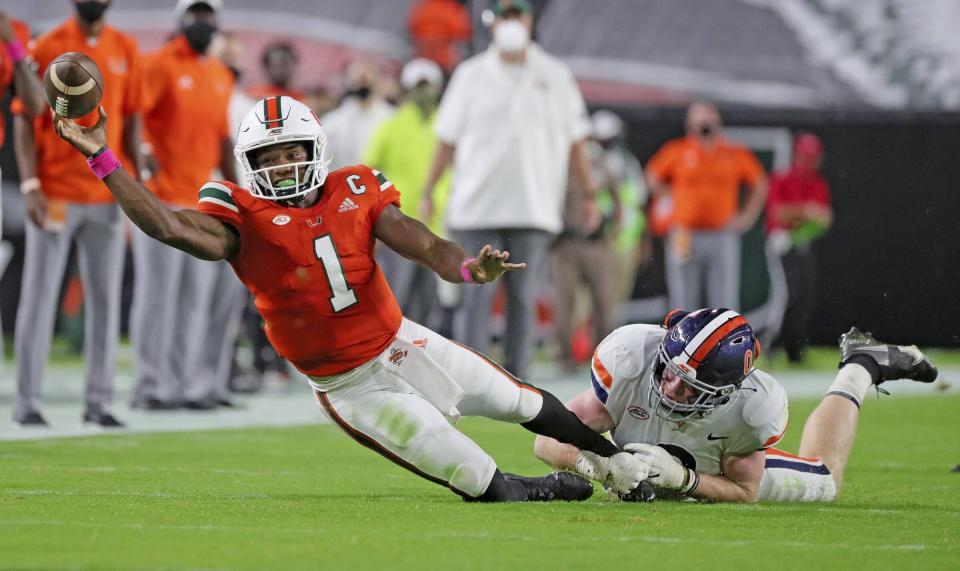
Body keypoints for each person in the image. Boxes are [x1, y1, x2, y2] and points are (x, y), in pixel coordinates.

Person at [52, 94, 651, 502]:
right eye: (270, 156)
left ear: (316, 147)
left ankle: (615, 455)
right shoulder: (242, 216)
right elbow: (166, 224)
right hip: (347, 384)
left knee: (521, 400)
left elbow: (423, 242)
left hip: (401, 341)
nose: (284, 166)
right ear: (249, 165)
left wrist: (469, 268)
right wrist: (101, 156)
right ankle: (539, 488)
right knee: (475, 477)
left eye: (292, 151)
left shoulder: (353, 188)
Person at [534, 308, 939, 502]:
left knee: (825, 483)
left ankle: (861, 365)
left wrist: (684, 480)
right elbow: (547, 440)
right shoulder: (632, 358)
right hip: (655, 453)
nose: (670, 386)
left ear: (725, 390)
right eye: (668, 370)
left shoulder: (752, 409)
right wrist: (601, 464)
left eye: (689, 386)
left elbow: (744, 490)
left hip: (712, 464)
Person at [421, 0, 598, 379]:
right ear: (492, 22)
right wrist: (427, 190)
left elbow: (576, 141)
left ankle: (518, 380)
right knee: (475, 295)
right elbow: (446, 140)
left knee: (522, 298)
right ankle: (471, 377)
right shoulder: (470, 74)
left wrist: (588, 194)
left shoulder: (556, 74)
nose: (510, 22)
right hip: (475, 207)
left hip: (533, 207)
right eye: (504, 15)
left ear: (530, 19)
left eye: (517, 14)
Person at [12, 0, 142, 428]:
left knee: (104, 302)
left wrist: (135, 183)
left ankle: (98, 402)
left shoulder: (125, 47)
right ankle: (27, 401)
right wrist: (30, 183)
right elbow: (22, 117)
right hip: (55, 193)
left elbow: (130, 120)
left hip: (105, 192)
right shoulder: (49, 44)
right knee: (39, 296)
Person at [131, 0, 237, 410]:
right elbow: (136, 114)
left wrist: (235, 191)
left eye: (208, 15)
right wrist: (139, 152)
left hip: (200, 202)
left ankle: (186, 386)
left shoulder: (219, 74)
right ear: (179, 19)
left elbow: (222, 139)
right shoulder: (158, 63)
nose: (202, 23)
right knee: (158, 297)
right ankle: (149, 386)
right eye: (195, 15)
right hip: (159, 199)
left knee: (194, 300)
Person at [646, 102, 768, 311]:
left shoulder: (732, 152)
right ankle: (684, 343)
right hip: (684, 233)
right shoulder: (678, 150)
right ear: (689, 123)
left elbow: (760, 183)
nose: (705, 122)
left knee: (723, 299)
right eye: (699, 117)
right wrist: (671, 197)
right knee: (683, 298)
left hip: (721, 233)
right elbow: (651, 176)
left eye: (709, 116)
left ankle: (722, 343)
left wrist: (747, 216)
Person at [363, 58, 449, 327]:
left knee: (430, 300)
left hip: (436, 224)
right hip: (398, 226)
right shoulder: (392, 125)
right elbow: (367, 171)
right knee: (396, 296)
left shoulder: (446, 126)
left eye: (428, 86)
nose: (424, 93)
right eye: (418, 86)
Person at [764, 133, 832, 362]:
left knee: (805, 296)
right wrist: (805, 211)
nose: (808, 162)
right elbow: (776, 212)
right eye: (805, 156)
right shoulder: (782, 178)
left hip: (801, 243)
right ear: (796, 155)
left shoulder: (818, 183)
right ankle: (771, 344)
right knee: (787, 295)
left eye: (812, 157)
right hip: (781, 244)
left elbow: (824, 220)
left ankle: (795, 350)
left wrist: (807, 223)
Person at [322, 59, 395, 170]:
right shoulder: (332, 122)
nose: (361, 85)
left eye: (366, 80)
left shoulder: (391, 119)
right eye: (357, 80)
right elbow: (323, 164)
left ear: (378, 82)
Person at [408, 0, 472, 73]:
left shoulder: (420, 9)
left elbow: (412, 31)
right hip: (445, 63)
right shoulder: (452, 9)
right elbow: (463, 35)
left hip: (423, 61)